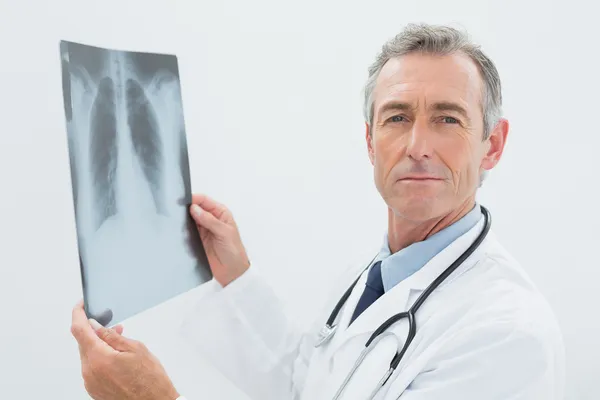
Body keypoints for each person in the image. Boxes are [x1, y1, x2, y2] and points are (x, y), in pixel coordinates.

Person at [70, 23, 566, 399]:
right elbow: (307, 384)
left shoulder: (506, 336)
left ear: (492, 146)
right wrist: (236, 277)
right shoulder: (376, 275)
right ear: (371, 141)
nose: (417, 145)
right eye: (397, 117)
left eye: (447, 118)